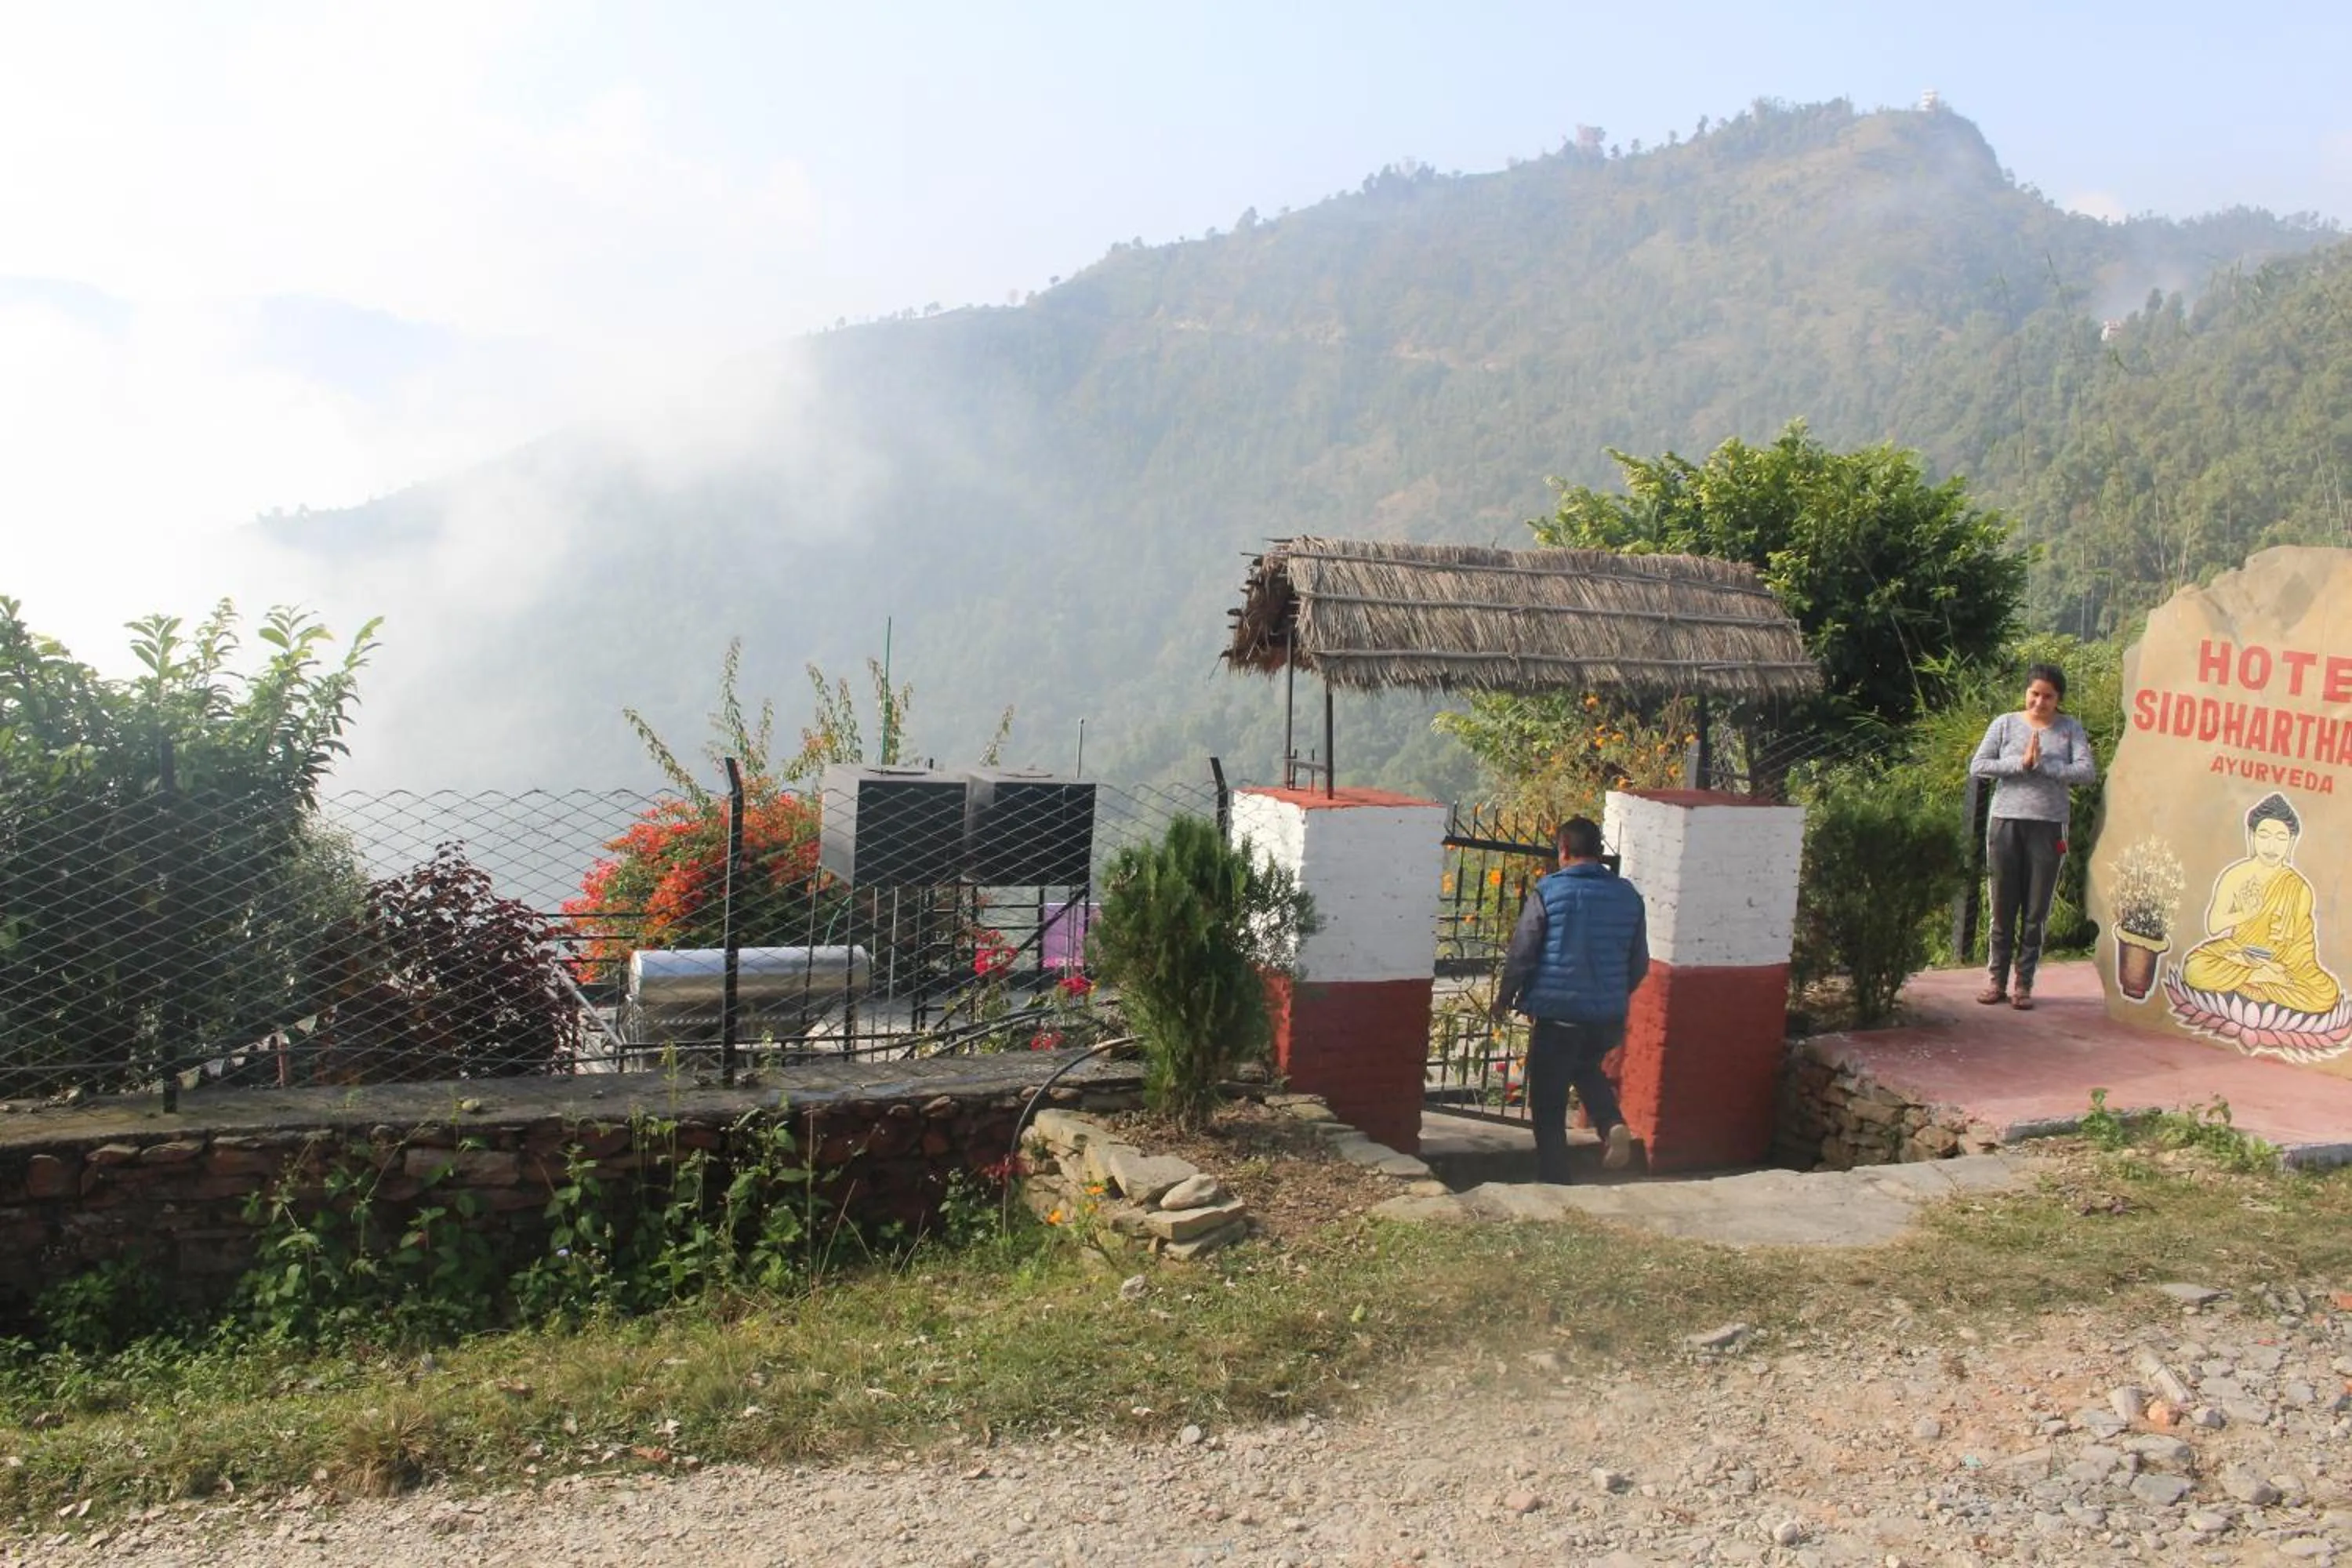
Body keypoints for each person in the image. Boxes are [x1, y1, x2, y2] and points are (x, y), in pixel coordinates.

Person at [1493, 815, 1649, 1183]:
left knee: (1548, 1101)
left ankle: (1555, 1179)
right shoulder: (1628, 896)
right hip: (1605, 1018)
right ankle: (1611, 1124)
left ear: (1563, 850)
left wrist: (1505, 997)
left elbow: (1523, 951)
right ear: (1599, 852)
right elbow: (1639, 962)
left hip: (1558, 1016)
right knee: (1585, 1067)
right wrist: (1612, 994)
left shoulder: (1548, 891)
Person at [1968, 662, 2098, 1011]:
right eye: (2034, 694)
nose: (2040, 703)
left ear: (2058, 699)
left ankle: (2023, 984)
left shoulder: (2070, 729)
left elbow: (2086, 772)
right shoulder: (2005, 724)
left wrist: (2046, 767)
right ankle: (1996, 979)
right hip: (2006, 822)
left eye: (2048, 697)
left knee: (2036, 909)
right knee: (2002, 905)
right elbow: (1978, 766)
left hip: (2049, 825)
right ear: (2026, 693)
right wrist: (2020, 765)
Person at [2178, 793, 2340, 1015]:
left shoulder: (2299, 887)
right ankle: (2258, 977)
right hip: (2239, 951)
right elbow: (2213, 926)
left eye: (2281, 838)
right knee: (2194, 968)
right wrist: (2244, 914)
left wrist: (2276, 966)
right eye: (2264, 835)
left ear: (2291, 842)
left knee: (2326, 994)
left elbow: (2301, 949)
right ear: (2252, 837)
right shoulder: (2236, 875)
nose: (2271, 845)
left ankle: (2255, 978)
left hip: (2281, 964)